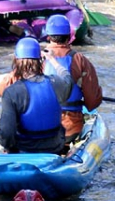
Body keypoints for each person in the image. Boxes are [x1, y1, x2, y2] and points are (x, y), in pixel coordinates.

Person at [0, 37, 72, 154]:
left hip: (24, 150)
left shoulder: (11, 92)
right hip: (55, 148)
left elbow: (7, 137)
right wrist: (53, 60)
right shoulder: (57, 83)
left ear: (16, 61)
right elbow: (67, 78)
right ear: (40, 61)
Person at [41, 14, 103, 142]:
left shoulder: (35, 58)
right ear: (69, 37)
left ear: (48, 36)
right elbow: (92, 103)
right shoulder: (79, 60)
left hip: (39, 124)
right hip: (69, 127)